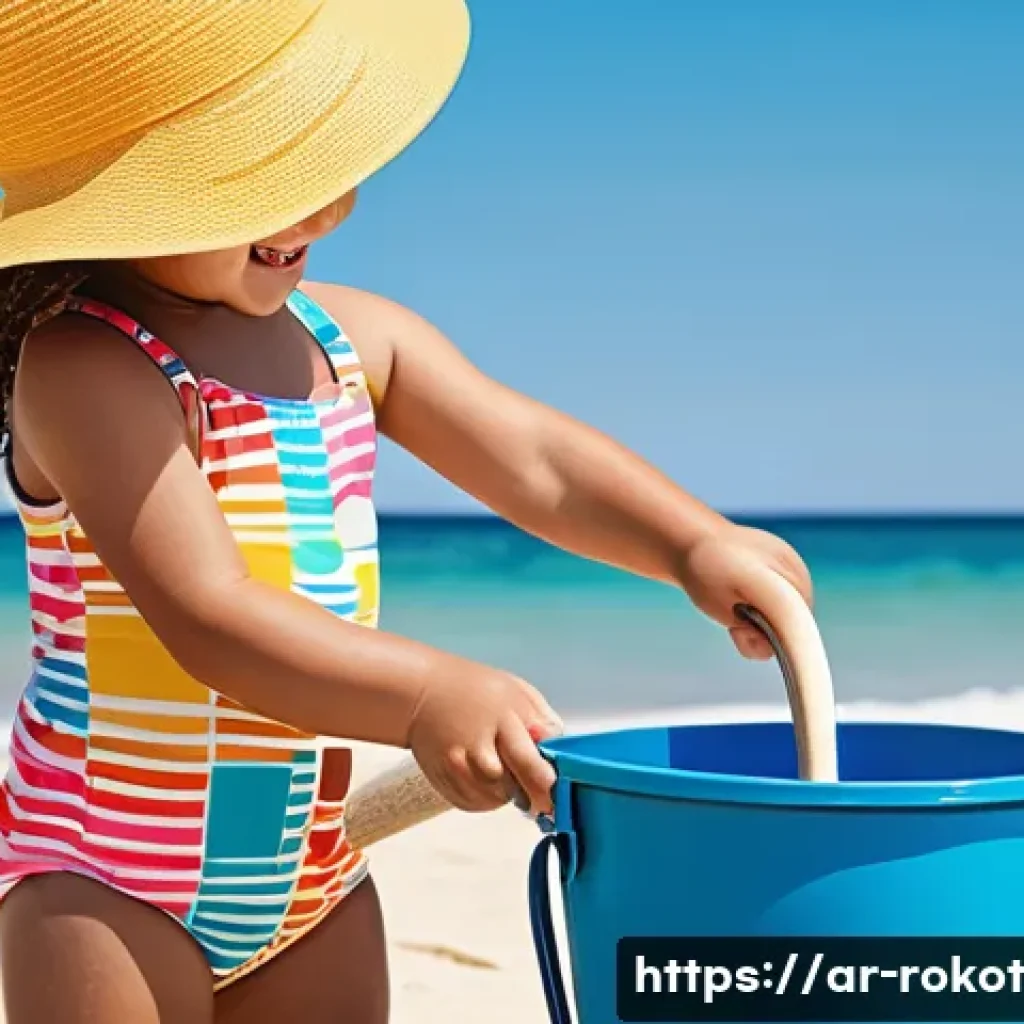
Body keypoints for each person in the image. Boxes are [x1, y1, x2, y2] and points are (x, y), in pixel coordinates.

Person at [0, 1, 814, 1021]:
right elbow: (209, 617)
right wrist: (425, 696)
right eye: (257, 178)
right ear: (123, 199)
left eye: (310, 162)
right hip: (110, 882)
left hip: (311, 881)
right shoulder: (85, 366)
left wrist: (690, 541)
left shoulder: (354, 342)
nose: (309, 206)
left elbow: (533, 460)